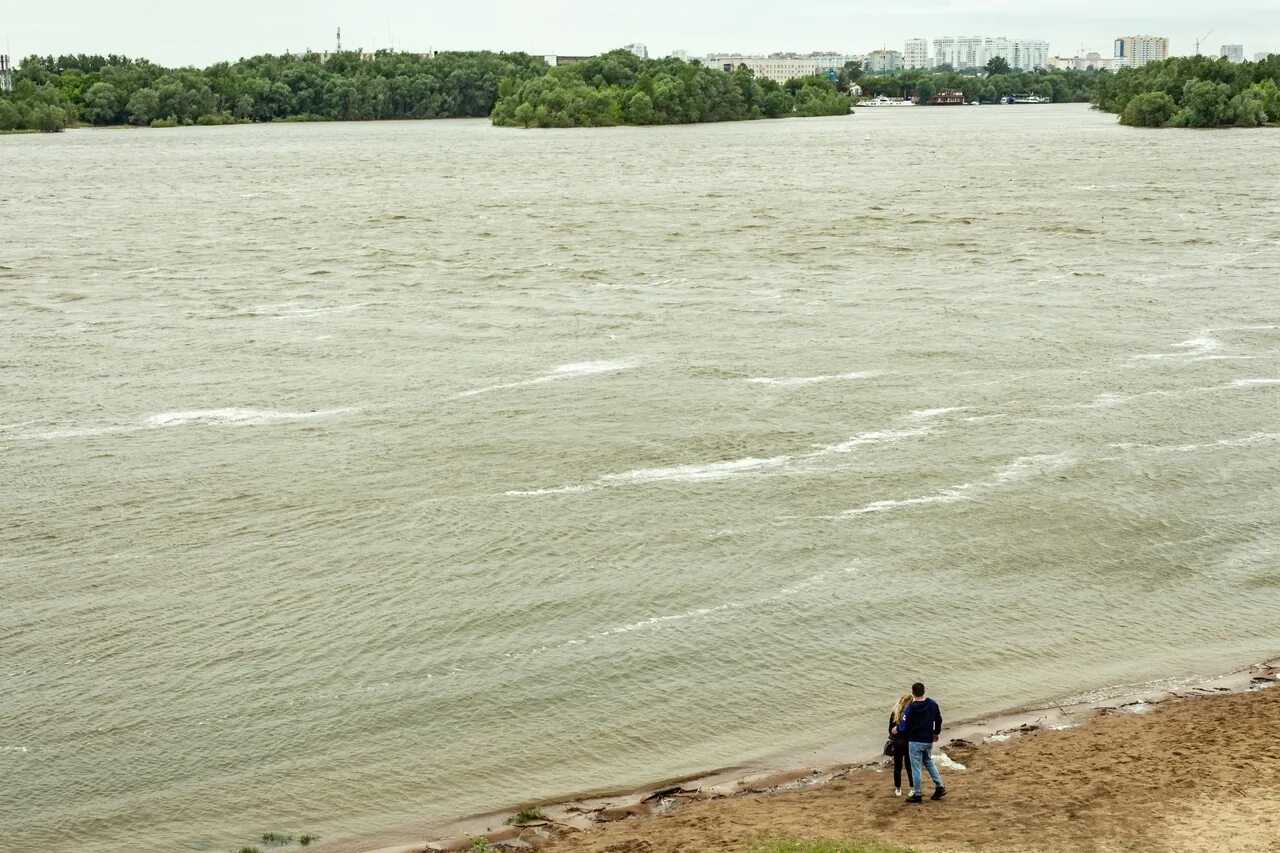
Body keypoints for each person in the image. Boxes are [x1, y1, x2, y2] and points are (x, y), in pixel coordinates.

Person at [896, 681, 946, 803]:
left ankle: (917, 794)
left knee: (916, 768)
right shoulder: (932, 704)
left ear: (913, 693)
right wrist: (936, 733)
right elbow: (938, 719)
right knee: (929, 761)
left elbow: (903, 724)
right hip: (928, 739)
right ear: (924, 691)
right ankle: (940, 786)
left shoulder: (910, 708)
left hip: (915, 740)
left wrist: (896, 729)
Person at [888, 693, 916, 796]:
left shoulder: (894, 713)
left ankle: (898, 789)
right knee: (910, 767)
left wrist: (895, 732)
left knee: (897, 767)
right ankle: (912, 789)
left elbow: (890, 730)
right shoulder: (912, 713)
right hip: (909, 743)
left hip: (897, 743)